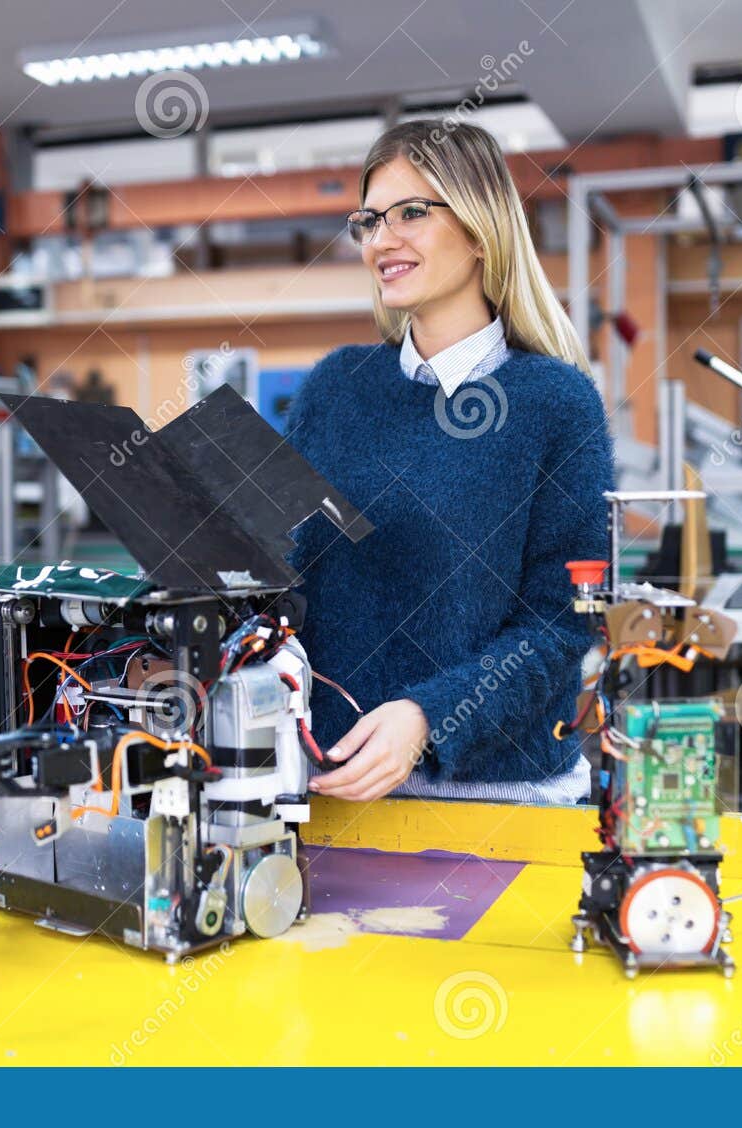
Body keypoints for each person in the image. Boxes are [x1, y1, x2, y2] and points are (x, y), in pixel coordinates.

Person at [284, 118, 614, 805]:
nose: (382, 239)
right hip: (322, 788)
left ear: (477, 229)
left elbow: (558, 627)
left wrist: (430, 718)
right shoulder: (335, 387)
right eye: (369, 221)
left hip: (488, 798)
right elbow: (277, 578)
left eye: (411, 212)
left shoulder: (555, 405)